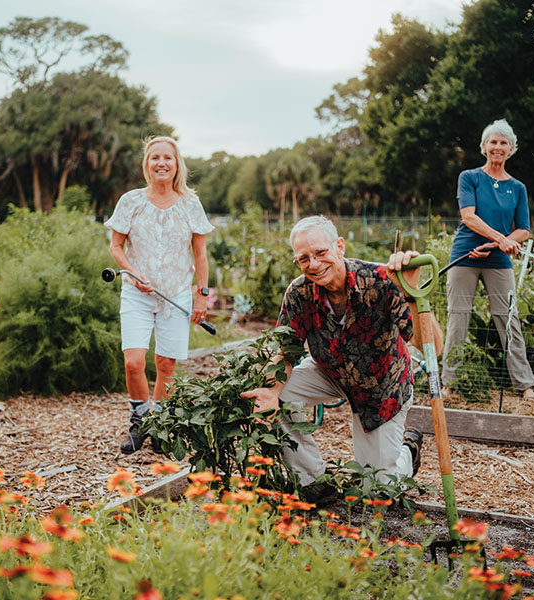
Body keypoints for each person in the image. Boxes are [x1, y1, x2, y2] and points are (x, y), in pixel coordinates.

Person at [241, 216, 442, 503]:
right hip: (329, 371)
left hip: (382, 386)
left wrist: (411, 292)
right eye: (304, 258)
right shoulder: (299, 293)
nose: (313, 263)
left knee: (377, 490)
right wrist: (273, 392)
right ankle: (312, 480)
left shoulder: (381, 281)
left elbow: (433, 346)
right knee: (272, 393)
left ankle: (408, 453)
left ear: (340, 246)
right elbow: (286, 349)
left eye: (320, 253)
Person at [105, 136, 214, 454]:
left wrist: (201, 296)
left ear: (177, 163)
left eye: (167, 157)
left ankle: (162, 426)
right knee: (133, 363)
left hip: (177, 294)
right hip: (137, 294)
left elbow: (201, 254)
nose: (161, 163)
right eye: (155, 158)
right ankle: (140, 421)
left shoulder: (190, 204)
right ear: (146, 165)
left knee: (166, 364)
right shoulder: (131, 201)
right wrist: (133, 273)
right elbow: (116, 246)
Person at [441, 118, 534, 401]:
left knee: (509, 320)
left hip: (497, 260)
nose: (498, 147)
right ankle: (449, 383)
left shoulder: (518, 188)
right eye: (493, 142)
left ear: (511, 149)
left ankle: (524, 385)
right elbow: (468, 216)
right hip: (465, 256)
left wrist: (499, 244)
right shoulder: (470, 177)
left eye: (503, 142)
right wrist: (501, 239)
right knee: (458, 318)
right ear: (484, 147)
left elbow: (523, 230)